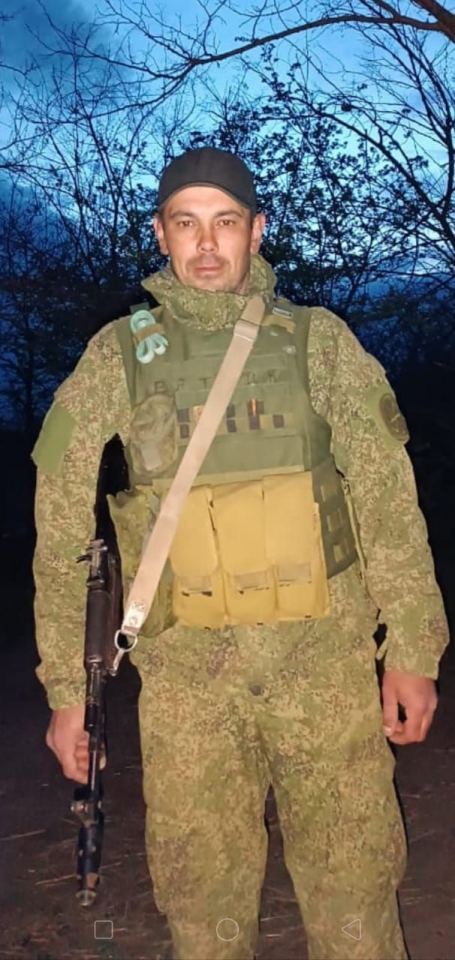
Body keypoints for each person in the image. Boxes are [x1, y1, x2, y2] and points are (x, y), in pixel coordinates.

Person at [33, 146, 448, 960]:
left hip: (322, 666)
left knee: (356, 897)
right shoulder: (116, 355)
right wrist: (65, 691)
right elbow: (60, 531)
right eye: (185, 223)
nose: (206, 243)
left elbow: (386, 500)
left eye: (224, 222)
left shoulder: (319, 343)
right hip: (188, 682)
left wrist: (412, 646)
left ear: (257, 231)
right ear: (159, 234)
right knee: (202, 906)